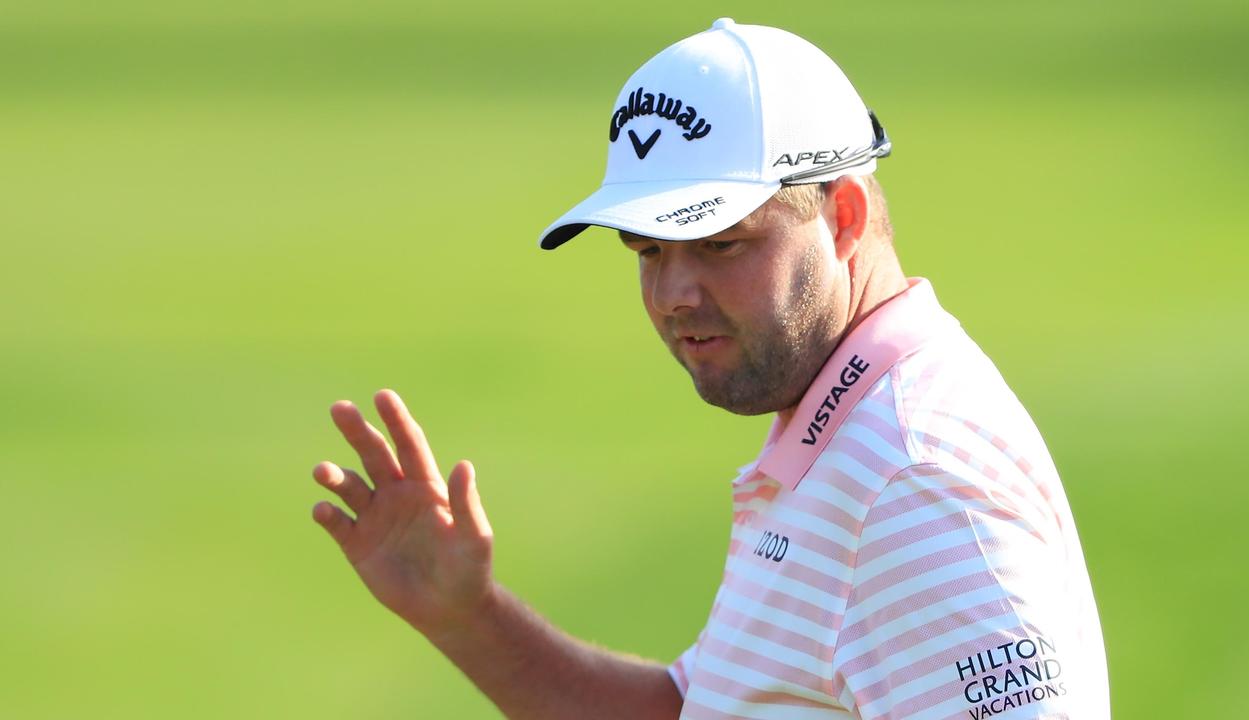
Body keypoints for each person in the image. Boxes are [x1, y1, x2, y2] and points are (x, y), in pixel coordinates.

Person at [309, 18, 1110, 720]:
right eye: (649, 252)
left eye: (722, 244)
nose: (674, 296)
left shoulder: (909, 484)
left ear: (844, 218)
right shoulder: (841, 433)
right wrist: (469, 619)